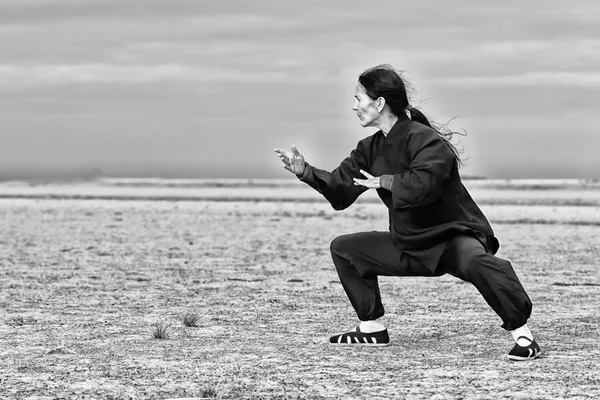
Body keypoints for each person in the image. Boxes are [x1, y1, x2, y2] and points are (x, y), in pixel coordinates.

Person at [274, 64, 541, 361]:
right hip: (409, 243)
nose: (354, 106)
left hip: (450, 239)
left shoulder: (426, 140)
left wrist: (385, 181)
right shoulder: (370, 149)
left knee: (478, 261)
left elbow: (423, 186)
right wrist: (307, 172)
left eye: (358, 98)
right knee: (345, 249)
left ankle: (524, 337)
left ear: (379, 103)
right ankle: (371, 328)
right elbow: (340, 192)